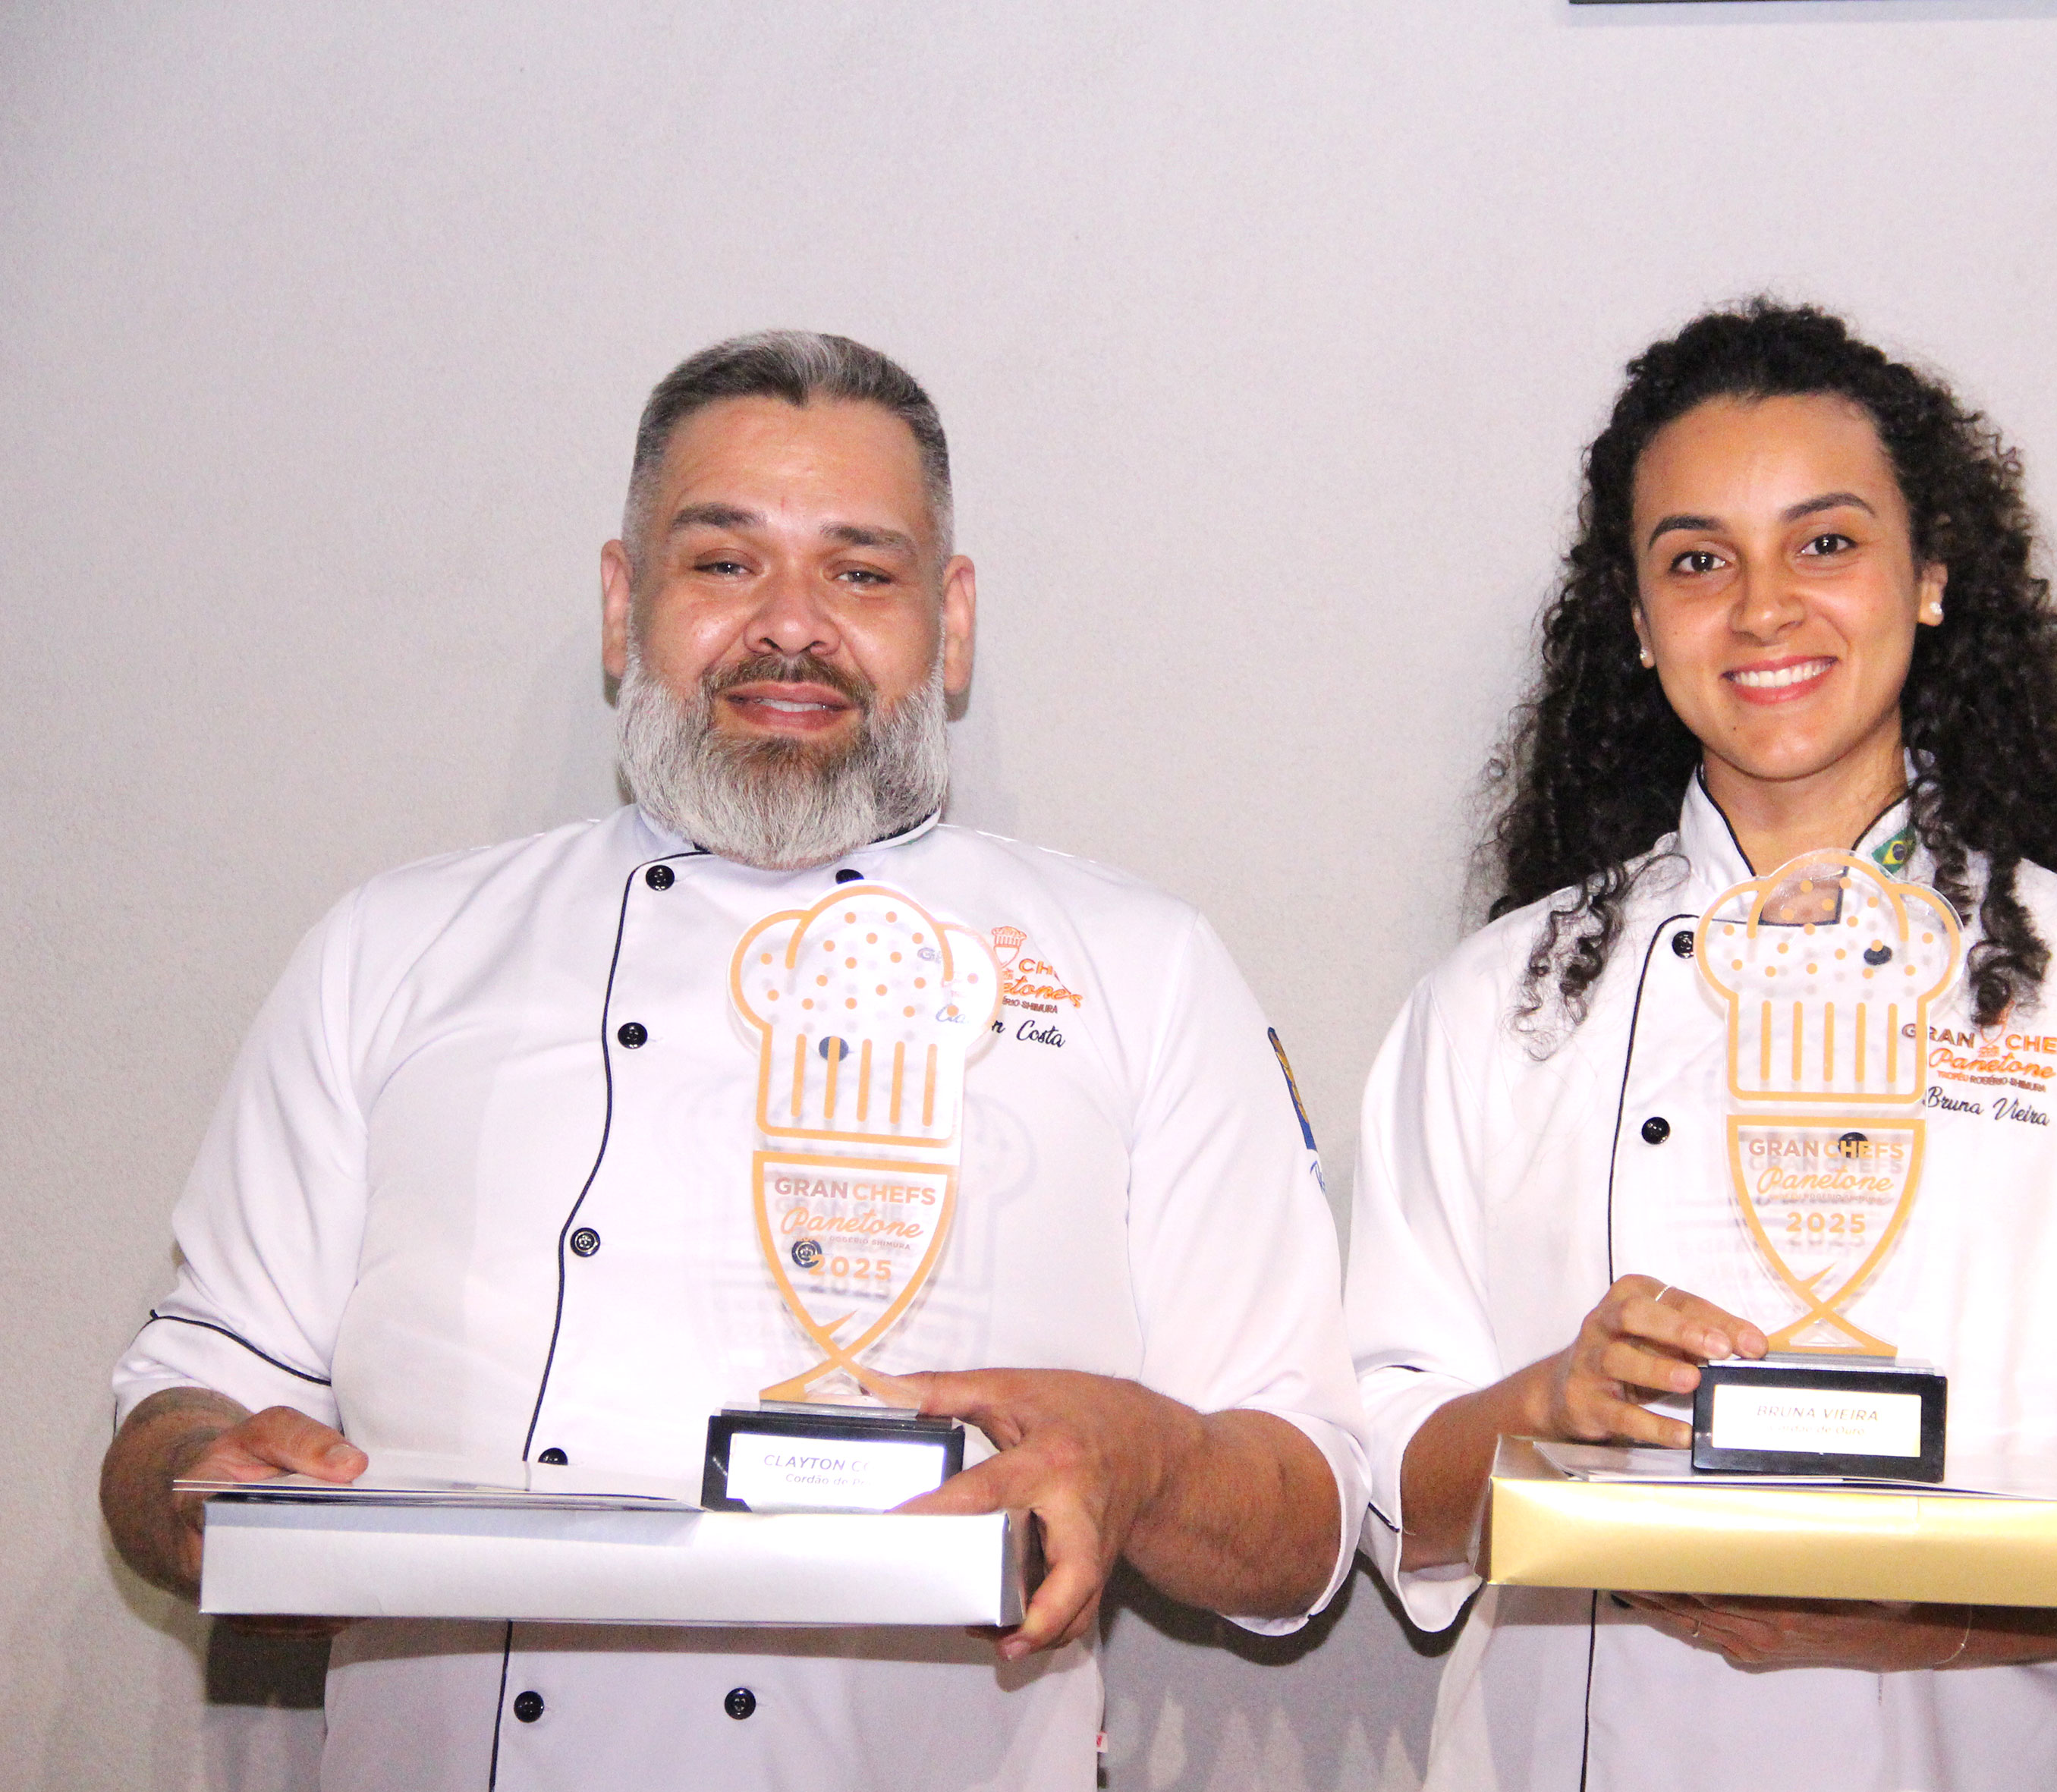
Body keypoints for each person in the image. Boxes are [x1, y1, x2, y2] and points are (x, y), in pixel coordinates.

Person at [100, 330, 1366, 1790]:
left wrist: (1139, 1460)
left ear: (952, 623)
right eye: (723, 563)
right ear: (620, 603)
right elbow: (185, 1397)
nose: (791, 626)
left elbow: (1305, 1514)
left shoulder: (1139, 968)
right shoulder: (391, 948)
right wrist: (201, 1479)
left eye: (861, 572)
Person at [1346, 300, 2057, 1792]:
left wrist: (1911, 1618)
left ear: (1928, 577)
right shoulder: (1493, 1009)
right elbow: (1384, 1495)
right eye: (1696, 560)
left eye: (1825, 542)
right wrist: (1540, 1405)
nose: (1762, 609)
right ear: (1634, 620)